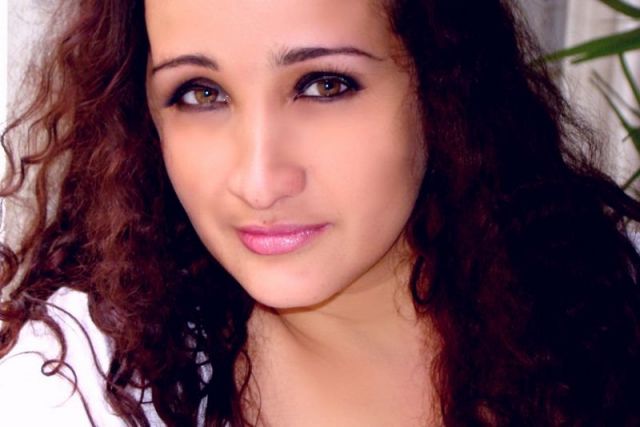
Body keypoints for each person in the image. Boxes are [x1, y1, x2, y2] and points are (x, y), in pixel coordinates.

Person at [1, 0, 640, 425]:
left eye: (324, 85)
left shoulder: (606, 315)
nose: (259, 182)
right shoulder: (75, 389)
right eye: (200, 93)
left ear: (443, 89)